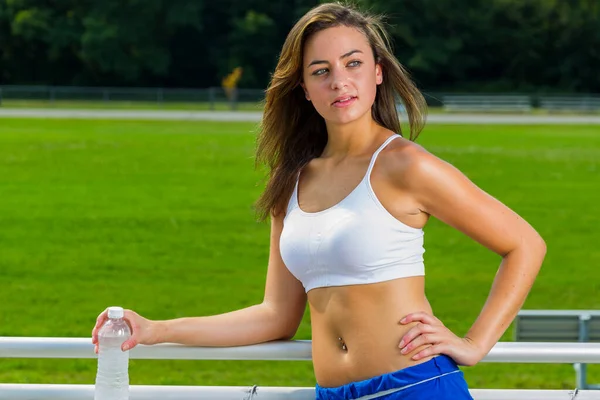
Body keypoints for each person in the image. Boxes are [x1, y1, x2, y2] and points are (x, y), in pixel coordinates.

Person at [92, 2, 546, 399]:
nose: (339, 82)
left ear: (378, 72)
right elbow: (275, 316)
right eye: (321, 71)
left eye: (353, 64)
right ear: (304, 88)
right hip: (332, 394)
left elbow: (524, 244)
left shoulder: (405, 165)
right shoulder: (289, 182)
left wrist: (473, 343)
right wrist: (156, 330)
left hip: (414, 388)